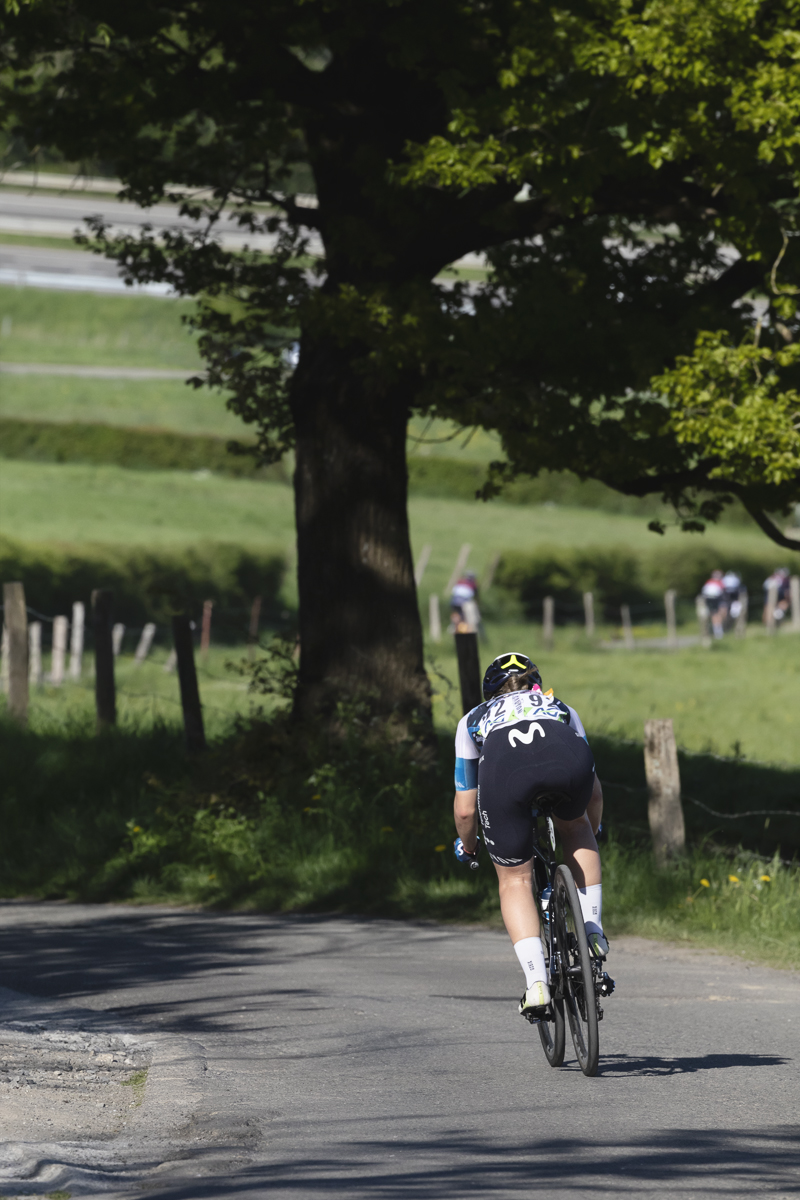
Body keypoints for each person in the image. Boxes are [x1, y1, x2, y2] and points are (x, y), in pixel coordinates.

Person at [452, 652, 605, 1019]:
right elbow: (595, 792)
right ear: (535, 683)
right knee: (576, 828)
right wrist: (592, 827)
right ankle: (594, 933)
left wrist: (469, 847)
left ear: (490, 692)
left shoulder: (473, 719)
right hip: (563, 755)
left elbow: (465, 809)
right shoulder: (559, 705)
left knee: (515, 880)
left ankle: (536, 983)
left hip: (505, 770)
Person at [701, 569, 727, 639]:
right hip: (714, 601)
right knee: (715, 615)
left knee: (720, 615)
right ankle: (717, 632)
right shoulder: (709, 583)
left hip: (719, 600)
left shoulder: (721, 582)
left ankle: (718, 630)